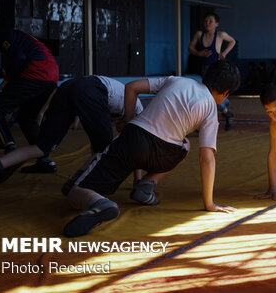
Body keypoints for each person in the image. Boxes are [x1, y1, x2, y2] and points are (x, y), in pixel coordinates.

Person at [54, 60, 240, 237]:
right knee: (185, 145)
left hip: (134, 141)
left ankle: (100, 203)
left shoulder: (177, 80)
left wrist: (127, 120)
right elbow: (207, 158)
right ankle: (147, 184)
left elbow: (132, 87)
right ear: (226, 93)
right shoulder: (210, 111)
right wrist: (209, 203)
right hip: (164, 155)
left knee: (74, 193)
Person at [0, 76, 144, 198]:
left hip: (69, 88)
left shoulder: (123, 103)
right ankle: (76, 182)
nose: (118, 128)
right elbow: (134, 147)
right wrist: (138, 181)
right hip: (90, 90)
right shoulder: (139, 111)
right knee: (104, 149)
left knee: (42, 147)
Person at [0, 15, 58, 161]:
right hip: (51, 76)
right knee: (27, 118)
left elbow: (19, 58)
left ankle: (9, 149)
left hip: (37, 72)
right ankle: (45, 161)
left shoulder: (1, 35)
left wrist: (6, 82)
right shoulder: (19, 36)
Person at [188, 12, 236, 130]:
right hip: (204, 69)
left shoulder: (220, 35)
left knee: (211, 95)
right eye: (205, 21)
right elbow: (190, 48)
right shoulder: (199, 34)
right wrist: (199, 53)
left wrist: (224, 53)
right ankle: (226, 112)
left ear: (217, 24)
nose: (207, 23)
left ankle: (218, 115)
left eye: (210, 21)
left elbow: (232, 41)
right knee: (206, 95)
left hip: (216, 69)